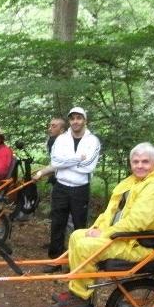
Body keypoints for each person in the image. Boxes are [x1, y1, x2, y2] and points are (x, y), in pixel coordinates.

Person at [49, 142, 154, 307]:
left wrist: (104, 234)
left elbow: (137, 222)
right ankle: (78, 291)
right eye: (135, 161)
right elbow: (111, 212)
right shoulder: (133, 181)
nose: (139, 165)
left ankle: (81, 299)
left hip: (140, 245)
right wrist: (98, 227)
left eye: (145, 162)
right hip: (123, 237)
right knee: (77, 236)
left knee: (86, 246)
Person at [44, 106, 101, 272]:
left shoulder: (93, 141)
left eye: (79, 118)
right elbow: (55, 162)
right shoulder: (61, 139)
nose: (76, 121)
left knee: (80, 226)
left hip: (80, 187)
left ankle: (78, 262)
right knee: (57, 223)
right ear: (69, 121)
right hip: (61, 186)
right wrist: (77, 159)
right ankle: (55, 260)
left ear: (85, 120)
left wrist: (66, 162)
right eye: (73, 118)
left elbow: (87, 167)